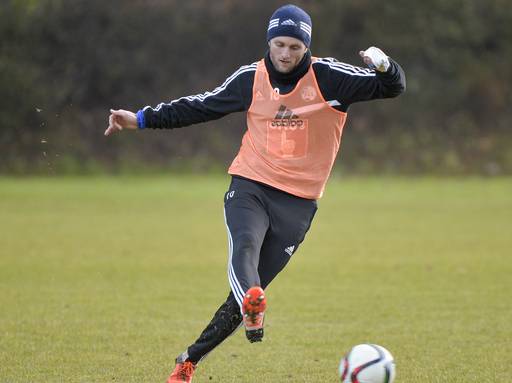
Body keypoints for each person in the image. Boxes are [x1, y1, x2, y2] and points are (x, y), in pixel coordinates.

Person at [105, 4, 405, 382]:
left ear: (306, 47)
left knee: (242, 298)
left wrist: (383, 64)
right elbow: (202, 106)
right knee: (245, 248)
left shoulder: (328, 78)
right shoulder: (252, 78)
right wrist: (142, 118)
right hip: (251, 183)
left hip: (298, 204)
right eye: (279, 43)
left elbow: (391, 87)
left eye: (295, 46)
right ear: (269, 41)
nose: (285, 53)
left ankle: (189, 360)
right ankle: (252, 305)